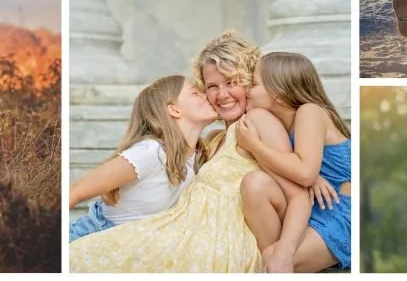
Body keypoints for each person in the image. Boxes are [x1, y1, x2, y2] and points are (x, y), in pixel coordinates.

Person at [70, 31, 300, 272]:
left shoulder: (255, 124)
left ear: (247, 82)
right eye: (209, 87)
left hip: (213, 240)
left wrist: (307, 174)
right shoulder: (203, 144)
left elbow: (293, 184)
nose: (220, 95)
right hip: (136, 229)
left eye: (232, 82)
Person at [234, 52, 353, 272]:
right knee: (255, 183)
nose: (247, 90)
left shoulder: (310, 112)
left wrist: (253, 145)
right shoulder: (282, 125)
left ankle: (285, 260)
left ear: (278, 93)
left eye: (255, 83)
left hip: (341, 212)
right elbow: (304, 171)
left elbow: (305, 172)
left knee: (271, 256)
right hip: (311, 213)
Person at [67, 75, 218, 241]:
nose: (207, 96)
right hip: (89, 237)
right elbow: (76, 191)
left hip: (128, 246)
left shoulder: (195, 155)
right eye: (196, 93)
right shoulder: (151, 153)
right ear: (174, 110)